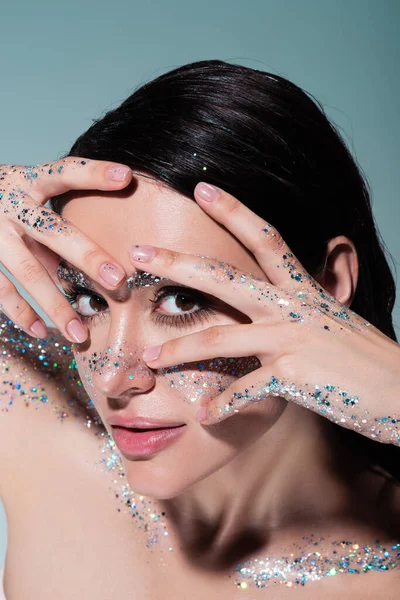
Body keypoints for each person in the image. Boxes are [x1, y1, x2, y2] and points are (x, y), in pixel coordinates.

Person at [0, 59, 399, 599]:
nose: (114, 376)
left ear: (328, 284)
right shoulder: (36, 416)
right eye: (90, 298)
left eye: (181, 299)